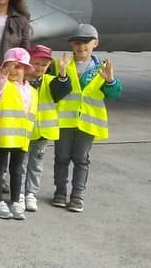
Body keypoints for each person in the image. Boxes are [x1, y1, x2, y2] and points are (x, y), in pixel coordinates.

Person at [53, 24, 122, 213]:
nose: (81, 46)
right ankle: (60, 192)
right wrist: (62, 74)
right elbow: (54, 92)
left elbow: (113, 94)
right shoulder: (62, 64)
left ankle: (77, 196)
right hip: (65, 121)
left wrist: (110, 81)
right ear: (71, 45)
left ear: (95, 43)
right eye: (77, 42)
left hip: (88, 122)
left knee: (81, 159)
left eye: (86, 42)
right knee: (61, 158)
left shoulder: (101, 68)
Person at [22, 44, 72, 212]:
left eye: (44, 65)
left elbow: (63, 89)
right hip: (22, 131)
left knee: (36, 164)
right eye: (36, 63)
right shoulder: (20, 81)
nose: (39, 67)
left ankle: (31, 193)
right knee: (20, 164)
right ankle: (19, 193)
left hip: (42, 132)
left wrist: (62, 72)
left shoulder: (51, 81)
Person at [0, 48, 38, 221]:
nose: (14, 71)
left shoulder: (32, 91)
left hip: (22, 138)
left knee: (17, 170)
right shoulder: (2, 85)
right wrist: (3, 73)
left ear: (26, 69)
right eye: (10, 66)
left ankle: (16, 201)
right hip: (3, 136)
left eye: (18, 67)